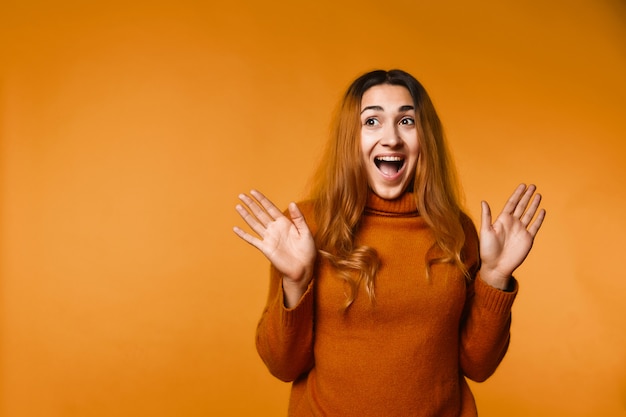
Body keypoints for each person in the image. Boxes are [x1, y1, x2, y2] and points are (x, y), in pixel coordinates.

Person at [233, 69, 545, 416]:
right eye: (372, 122)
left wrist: (496, 275)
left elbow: (478, 366)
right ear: (351, 138)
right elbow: (283, 366)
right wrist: (295, 281)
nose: (391, 138)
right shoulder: (307, 227)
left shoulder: (458, 231)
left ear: (425, 137)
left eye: (407, 121)